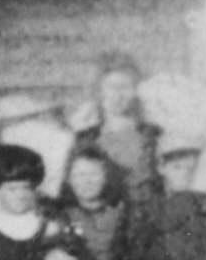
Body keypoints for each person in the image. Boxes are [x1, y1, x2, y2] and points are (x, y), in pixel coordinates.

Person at [70, 50, 164, 200]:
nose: (118, 96)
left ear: (135, 91)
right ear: (100, 91)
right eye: (111, 87)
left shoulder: (152, 136)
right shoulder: (85, 139)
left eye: (125, 87)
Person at [55, 145, 131, 260]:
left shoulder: (124, 212)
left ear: (106, 176)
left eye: (94, 174)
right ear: (69, 179)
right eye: (79, 175)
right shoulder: (61, 218)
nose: (87, 181)